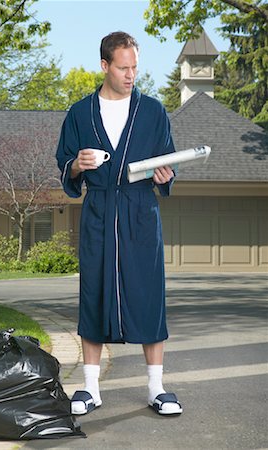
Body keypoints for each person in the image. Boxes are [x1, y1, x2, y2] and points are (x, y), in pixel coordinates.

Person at [56, 31, 182, 416]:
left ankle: (156, 388)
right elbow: (66, 166)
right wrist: (78, 164)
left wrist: (165, 175)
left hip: (141, 212)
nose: (131, 75)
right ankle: (90, 388)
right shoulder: (79, 113)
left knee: (148, 294)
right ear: (105, 66)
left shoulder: (154, 111)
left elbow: (167, 163)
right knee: (93, 293)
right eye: (123, 68)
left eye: (135, 68)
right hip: (99, 211)